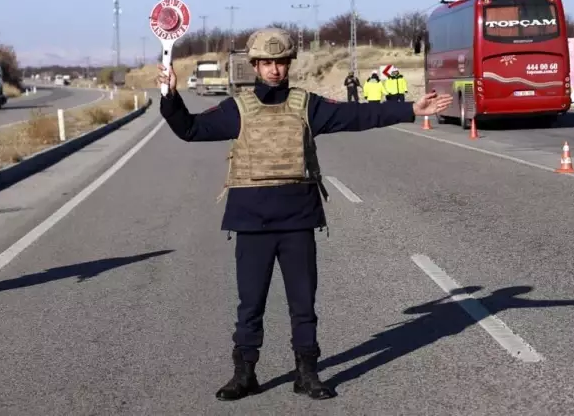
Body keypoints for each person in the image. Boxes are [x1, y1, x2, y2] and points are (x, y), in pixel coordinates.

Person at [157, 28, 451, 401]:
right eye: (267, 63)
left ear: (288, 64)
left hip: (297, 219)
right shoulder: (237, 108)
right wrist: (170, 95)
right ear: (256, 65)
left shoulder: (306, 105)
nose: (275, 70)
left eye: (281, 62)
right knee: (250, 305)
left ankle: (307, 373)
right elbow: (191, 129)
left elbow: (356, 115)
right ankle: (244, 373)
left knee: (302, 303)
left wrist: (409, 108)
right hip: (252, 221)